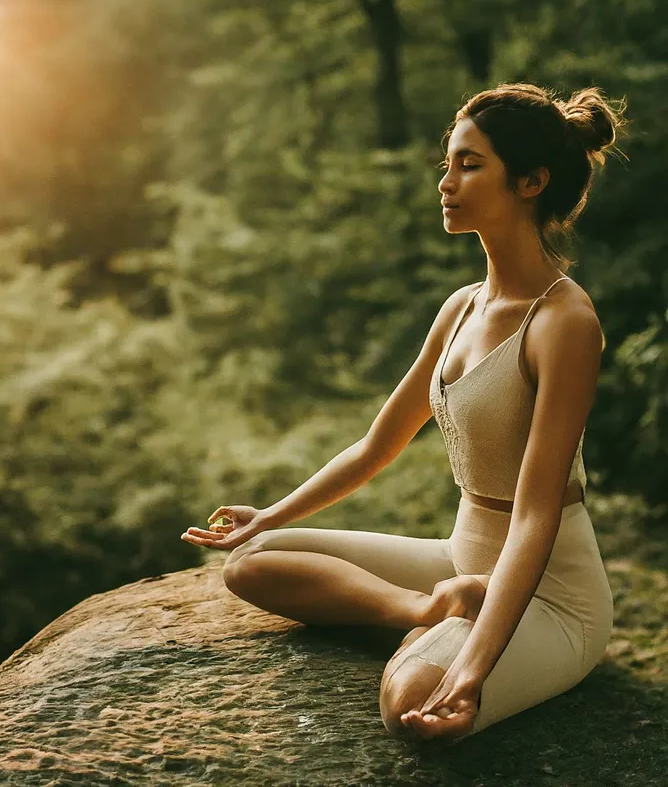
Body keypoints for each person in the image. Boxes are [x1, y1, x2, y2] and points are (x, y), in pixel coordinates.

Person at [180, 83, 624, 743]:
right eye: (448, 162)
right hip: (458, 559)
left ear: (531, 181)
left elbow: (535, 517)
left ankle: (447, 633)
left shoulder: (564, 322)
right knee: (253, 561)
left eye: (470, 165)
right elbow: (377, 445)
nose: (446, 182)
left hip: (549, 594)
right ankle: (429, 608)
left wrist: (472, 669)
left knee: (412, 703)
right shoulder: (462, 307)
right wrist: (268, 515)